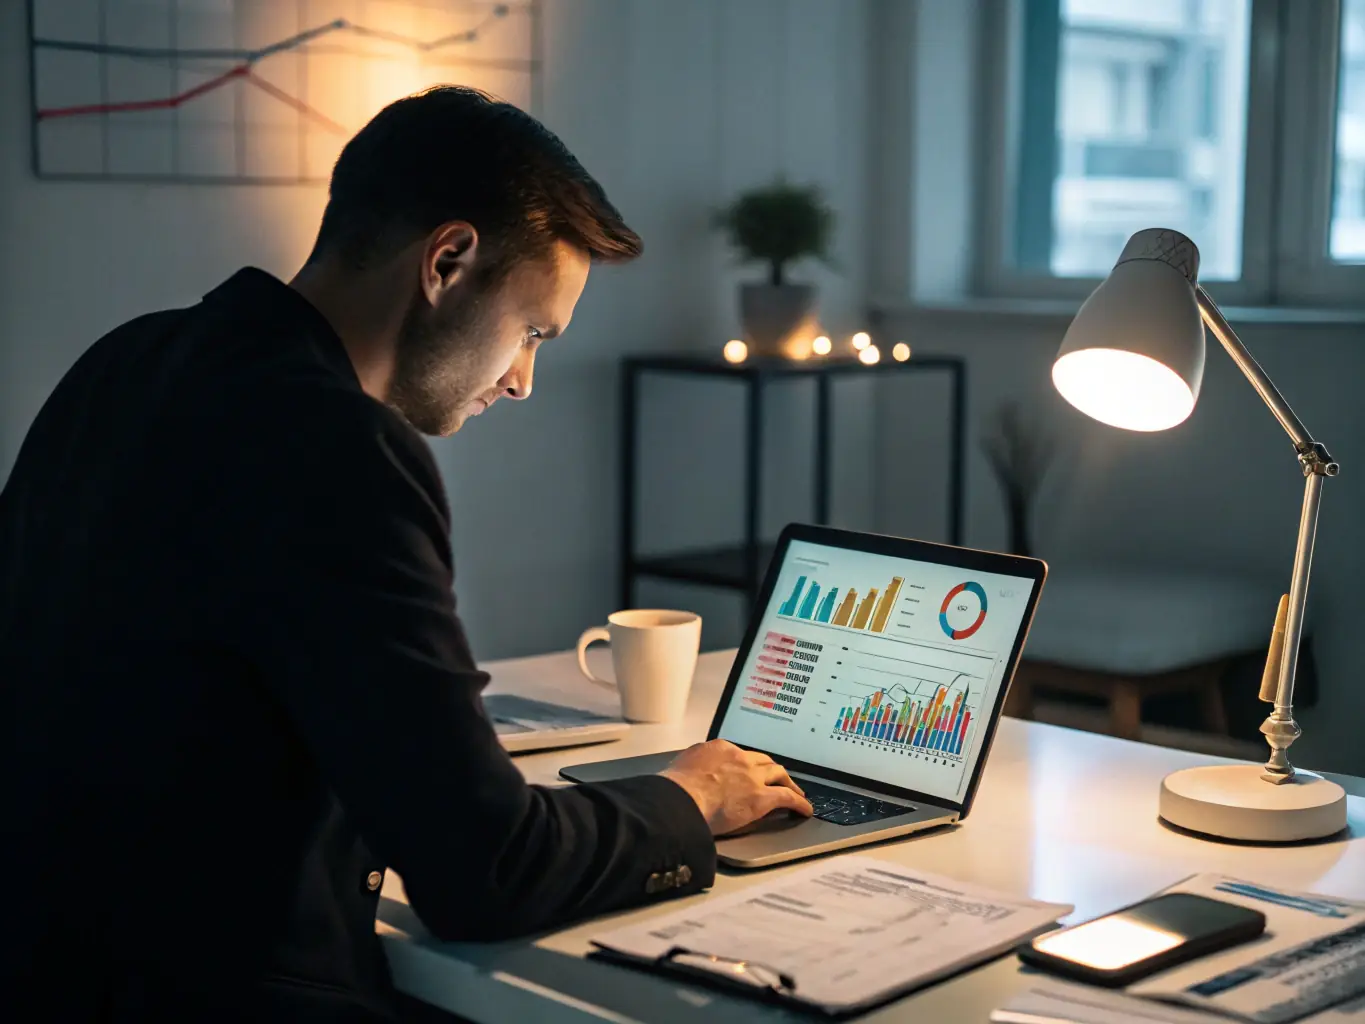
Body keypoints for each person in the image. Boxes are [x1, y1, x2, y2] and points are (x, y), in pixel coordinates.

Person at [0, 86, 812, 1023]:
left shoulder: (127, 361)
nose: (523, 380)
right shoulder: (339, 447)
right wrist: (686, 798)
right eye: (532, 331)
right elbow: (484, 872)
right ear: (447, 261)